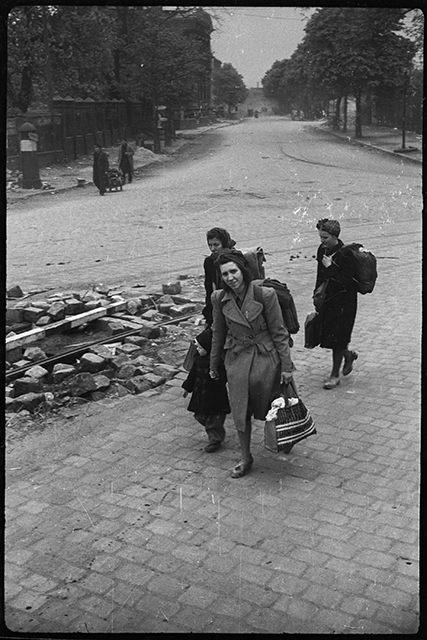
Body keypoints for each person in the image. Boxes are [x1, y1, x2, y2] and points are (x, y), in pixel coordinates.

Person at [209, 250, 295, 478]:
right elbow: (218, 332)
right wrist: (214, 363)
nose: (230, 278)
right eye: (225, 274)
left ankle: (285, 435)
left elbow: (279, 332)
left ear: (243, 271)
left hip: (266, 358)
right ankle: (246, 457)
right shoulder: (219, 298)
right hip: (237, 359)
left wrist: (287, 366)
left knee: (275, 405)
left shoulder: (264, 294)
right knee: (240, 409)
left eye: (233, 271)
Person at [314, 218, 359, 390]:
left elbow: (347, 283)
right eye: (320, 237)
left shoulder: (346, 254)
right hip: (328, 299)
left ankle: (334, 375)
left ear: (335, 236)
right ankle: (348, 356)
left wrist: (330, 267)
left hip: (345, 302)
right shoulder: (322, 250)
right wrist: (316, 293)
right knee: (329, 336)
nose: (322, 241)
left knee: (338, 339)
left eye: (325, 238)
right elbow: (319, 274)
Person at [182, 327, 230, 453]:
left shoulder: (217, 362)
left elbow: (224, 378)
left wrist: (217, 377)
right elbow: (192, 375)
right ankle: (215, 432)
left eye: (200, 347)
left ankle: (215, 439)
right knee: (199, 416)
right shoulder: (198, 359)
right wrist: (187, 387)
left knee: (214, 419)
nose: (197, 349)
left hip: (214, 397)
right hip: (200, 395)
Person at [202, 227, 236, 326]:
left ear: (224, 244)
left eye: (216, 245)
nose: (212, 249)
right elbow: (209, 289)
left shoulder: (236, 259)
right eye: (210, 245)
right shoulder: (209, 262)